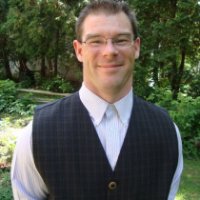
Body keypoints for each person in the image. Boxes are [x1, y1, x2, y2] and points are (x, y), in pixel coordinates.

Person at [11, 0, 183, 199]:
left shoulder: (168, 132)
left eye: (121, 40)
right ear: (79, 50)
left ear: (136, 48)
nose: (109, 51)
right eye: (95, 41)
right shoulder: (35, 134)